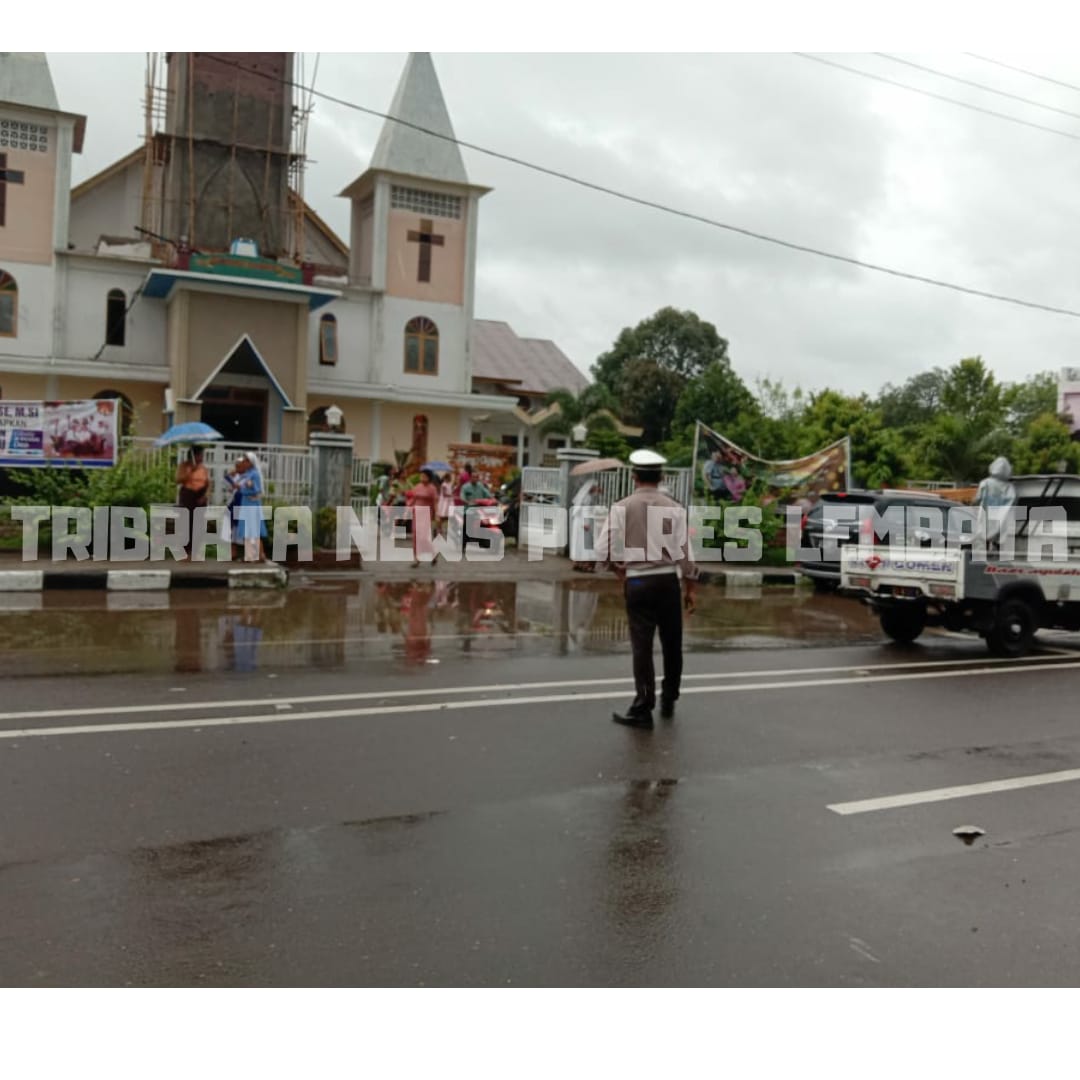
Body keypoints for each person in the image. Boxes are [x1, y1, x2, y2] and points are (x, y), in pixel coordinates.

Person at [598, 448, 698, 729]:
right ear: (661, 476)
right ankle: (669, 697)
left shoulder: (622, 507)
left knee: (642, 647)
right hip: (668, 581)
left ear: (633, 477)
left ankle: (643, 707)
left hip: (638, 581)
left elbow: (600, 549)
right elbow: (686, 554)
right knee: (672, 643)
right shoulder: (674, 508)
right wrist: (691, 588)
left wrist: (619, 570)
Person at [224, 452, 268, 562]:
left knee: (253, 530)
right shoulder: (247, 474)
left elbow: (257, 490)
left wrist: (247, 487)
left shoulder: (254, 474)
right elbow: (237, 483)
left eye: (246, 461)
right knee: (247, 530)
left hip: (251, 504)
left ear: (251, 462)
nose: (244, 463)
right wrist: (239, 487)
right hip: (246, 503)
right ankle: (249, 556)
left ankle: (260, 555)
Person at [175, 446, 210, 558]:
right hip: (188, 495)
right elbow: (178, 480)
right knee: (187, 523)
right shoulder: (184, 466)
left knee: (199, 524)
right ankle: (186, 550)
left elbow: (208, 484)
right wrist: (190, 471)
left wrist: (205, 496)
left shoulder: (203, 468)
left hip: (200, 496)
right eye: (199, 455)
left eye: (202, 455)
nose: (201, 457)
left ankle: (196, 550)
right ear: (193, 455)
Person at [975, 455, 1017, 546]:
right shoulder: (1009, 487)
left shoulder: (985, 483)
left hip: (985, 515)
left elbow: (977, 498)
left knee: (983, 535)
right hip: (1001, 518)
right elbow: (1013, 501)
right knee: (998, 538)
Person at [407, 468, 440, 568]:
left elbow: (435, 502)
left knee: (423, 537)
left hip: (426, 514)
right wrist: (407, 509)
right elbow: (412, 500)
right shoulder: (417, 487)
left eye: (424, 476)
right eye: (421, 476)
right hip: (416, 513)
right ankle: (417, 559)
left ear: (429, 478)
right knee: (416, 536)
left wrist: (437, 515)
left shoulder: (432, 488)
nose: (422, 478)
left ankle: (433, 554)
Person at [437, 472, 455, 536]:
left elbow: (451, 490)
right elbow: (444, 494)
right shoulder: (444, 485)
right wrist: (451, 495)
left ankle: (450, 529)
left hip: (449, 502)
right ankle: (439, 528)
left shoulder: (450, 484)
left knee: (449, 516)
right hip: (445, 502)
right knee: (442, 515)